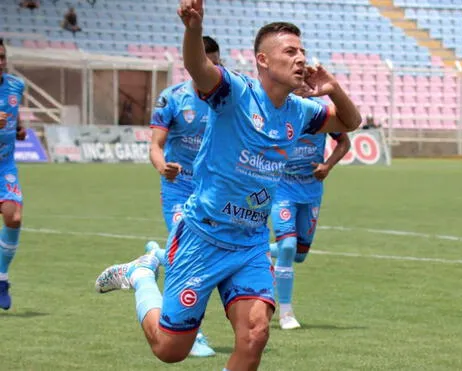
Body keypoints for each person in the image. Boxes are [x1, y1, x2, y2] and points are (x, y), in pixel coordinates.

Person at [94, 1, 361, 370]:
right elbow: (198, 67)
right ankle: (141, 275)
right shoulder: (235, 92)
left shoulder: (301, 111)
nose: (301, 58)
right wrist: (193, 28)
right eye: (290, 51)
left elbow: (351, 120)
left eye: (302, 51)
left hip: (250, 241)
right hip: (203, 236)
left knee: (255, 335)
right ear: (263, 60)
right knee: (170, 349)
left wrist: (334, 89)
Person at [143, 36, 221, 358]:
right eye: (206, 61)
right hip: (178, 187)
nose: (213, 68)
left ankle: (158, 257)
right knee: (187, 247)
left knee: (205, 254)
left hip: (212, 190)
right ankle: (194, 333)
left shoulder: (227, 98)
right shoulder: (172, 98)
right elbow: (155, 145)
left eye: (217, 62)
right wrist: (164, 167)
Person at [269, 91, 351, 330]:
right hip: (282, 188)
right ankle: (286, 313)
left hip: (311, 190)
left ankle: (255, 249)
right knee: (287, 246)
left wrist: (328, 166)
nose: (301, 84)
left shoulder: (320, 112)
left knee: (299, 254)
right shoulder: (277, 109)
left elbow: (344, 141)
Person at [0, 38, 28, 310]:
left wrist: (19, 129)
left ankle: (2, 278)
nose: (0, 62)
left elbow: (15, 116)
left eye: (1, 56)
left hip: (4, 166)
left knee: (14, 216)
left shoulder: (16, 86)